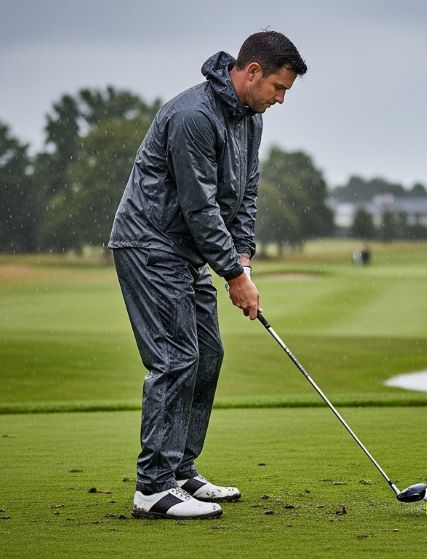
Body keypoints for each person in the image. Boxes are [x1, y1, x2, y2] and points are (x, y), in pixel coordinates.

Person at [107, 31, 307, 520]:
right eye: (278, 88)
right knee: (175, 357)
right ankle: (153, 487)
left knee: (207, 355)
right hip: (150, 243)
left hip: (186, 251)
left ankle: (179, 471)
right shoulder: (194, 116)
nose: (281, 99)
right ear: (252, 71)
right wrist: (233, 275)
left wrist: (243, 260)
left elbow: (245, 196)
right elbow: (200, 206)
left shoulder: (250, 120)